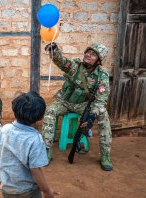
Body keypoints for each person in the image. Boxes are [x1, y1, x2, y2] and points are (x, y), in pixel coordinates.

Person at [42, 42, 113, 171]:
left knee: (103, 114)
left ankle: (105, 155)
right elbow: (61, 61)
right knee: (50, 111)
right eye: (87, 52)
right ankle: (46, 150)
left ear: (99, 60)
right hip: (64, 101)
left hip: (83, 105)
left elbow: (101, 99)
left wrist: (93, 114)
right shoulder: (75, 66)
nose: (88, 55)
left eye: (93, 54)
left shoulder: (102, 75)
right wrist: (54, 50)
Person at [0, 92, 55, 198]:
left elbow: (0, 148)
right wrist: (46, 190)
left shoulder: (5, 129)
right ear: (40, 116)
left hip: (7, 188)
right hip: (27, 191)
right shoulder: (35, 139)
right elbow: (35, 169)